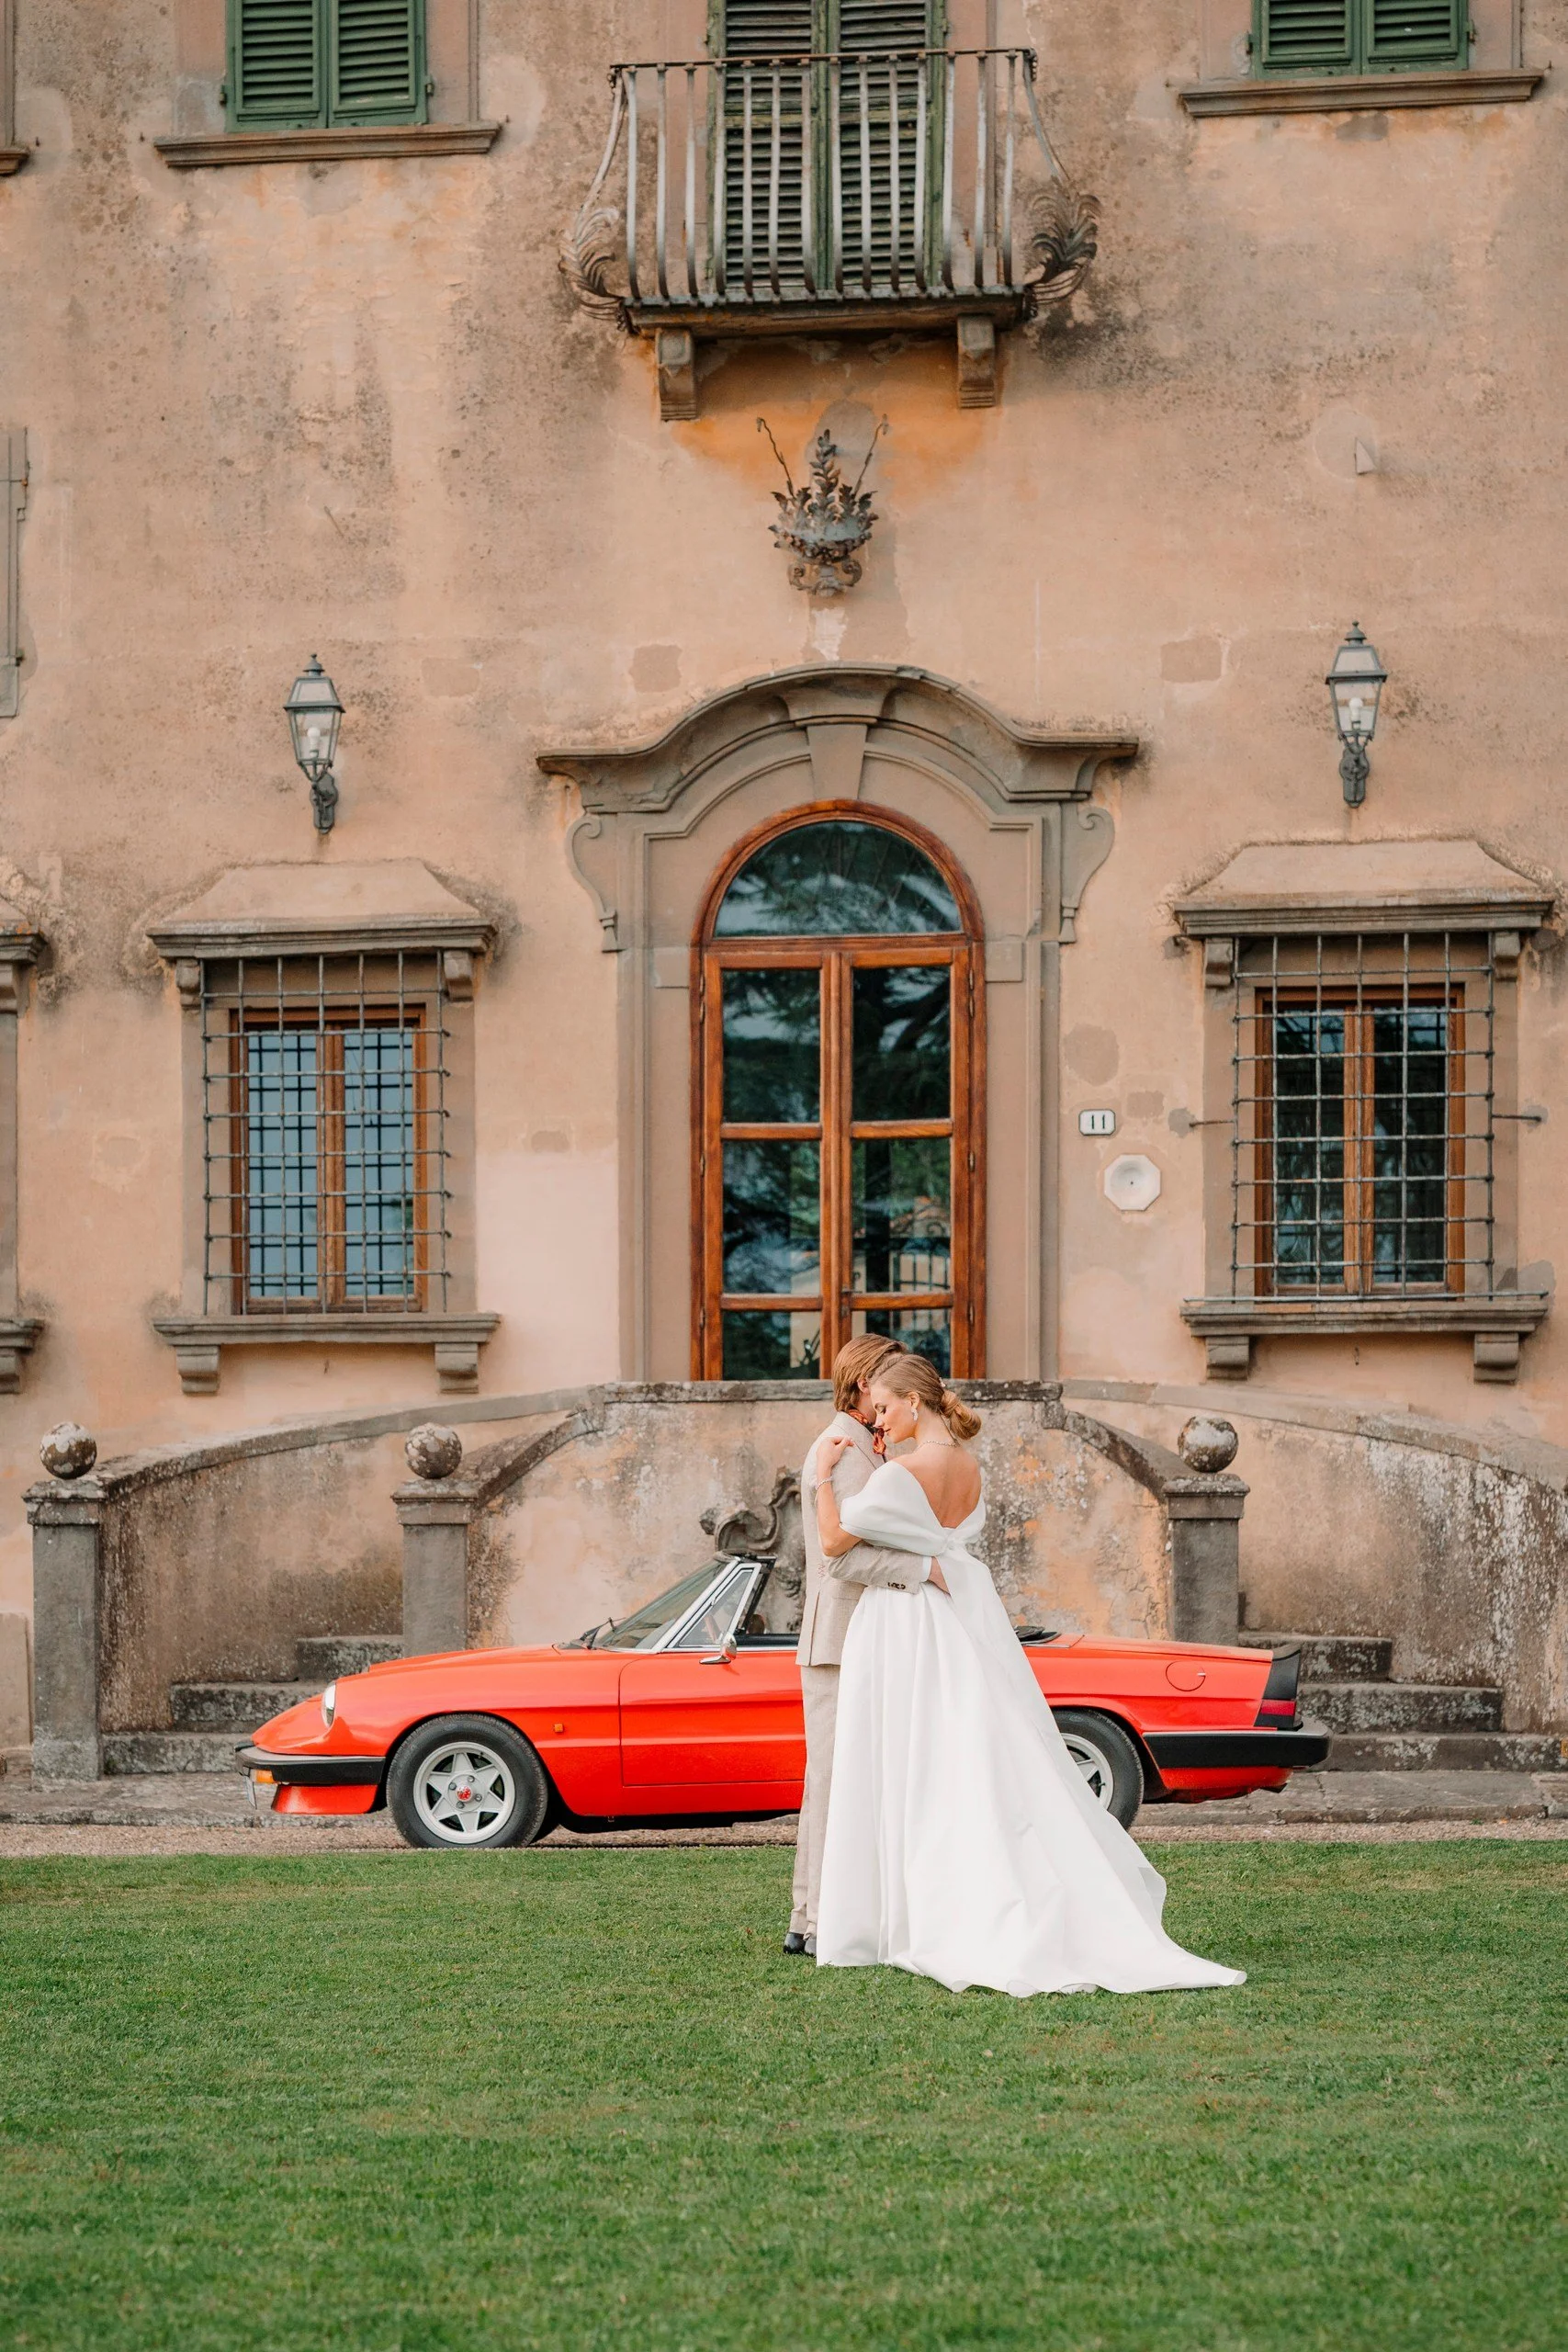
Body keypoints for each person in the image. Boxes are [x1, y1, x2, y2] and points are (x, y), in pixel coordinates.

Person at [811, 1350, 1246, 1998]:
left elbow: (833, 1543)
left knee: (919, 1757)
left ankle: (930, 1910)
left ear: (910, 1402)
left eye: (882, 1410)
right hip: (954, 1616)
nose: (878, 1424)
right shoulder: (967, 1468)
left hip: (910, 1624)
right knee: (970, 1753)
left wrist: (820, 1479)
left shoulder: (901, 1473)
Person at [786, 1334, 931, 1960]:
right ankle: (819, 1918)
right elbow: (839, 1552)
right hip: (837, 1639)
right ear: (860, 1385)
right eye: (884, 1379)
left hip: (860, 1637)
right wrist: (924, 1567)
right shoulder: (840, 1451)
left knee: (833, 1782)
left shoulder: (863, 1448)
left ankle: (807, 1913)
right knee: (832, 1781)